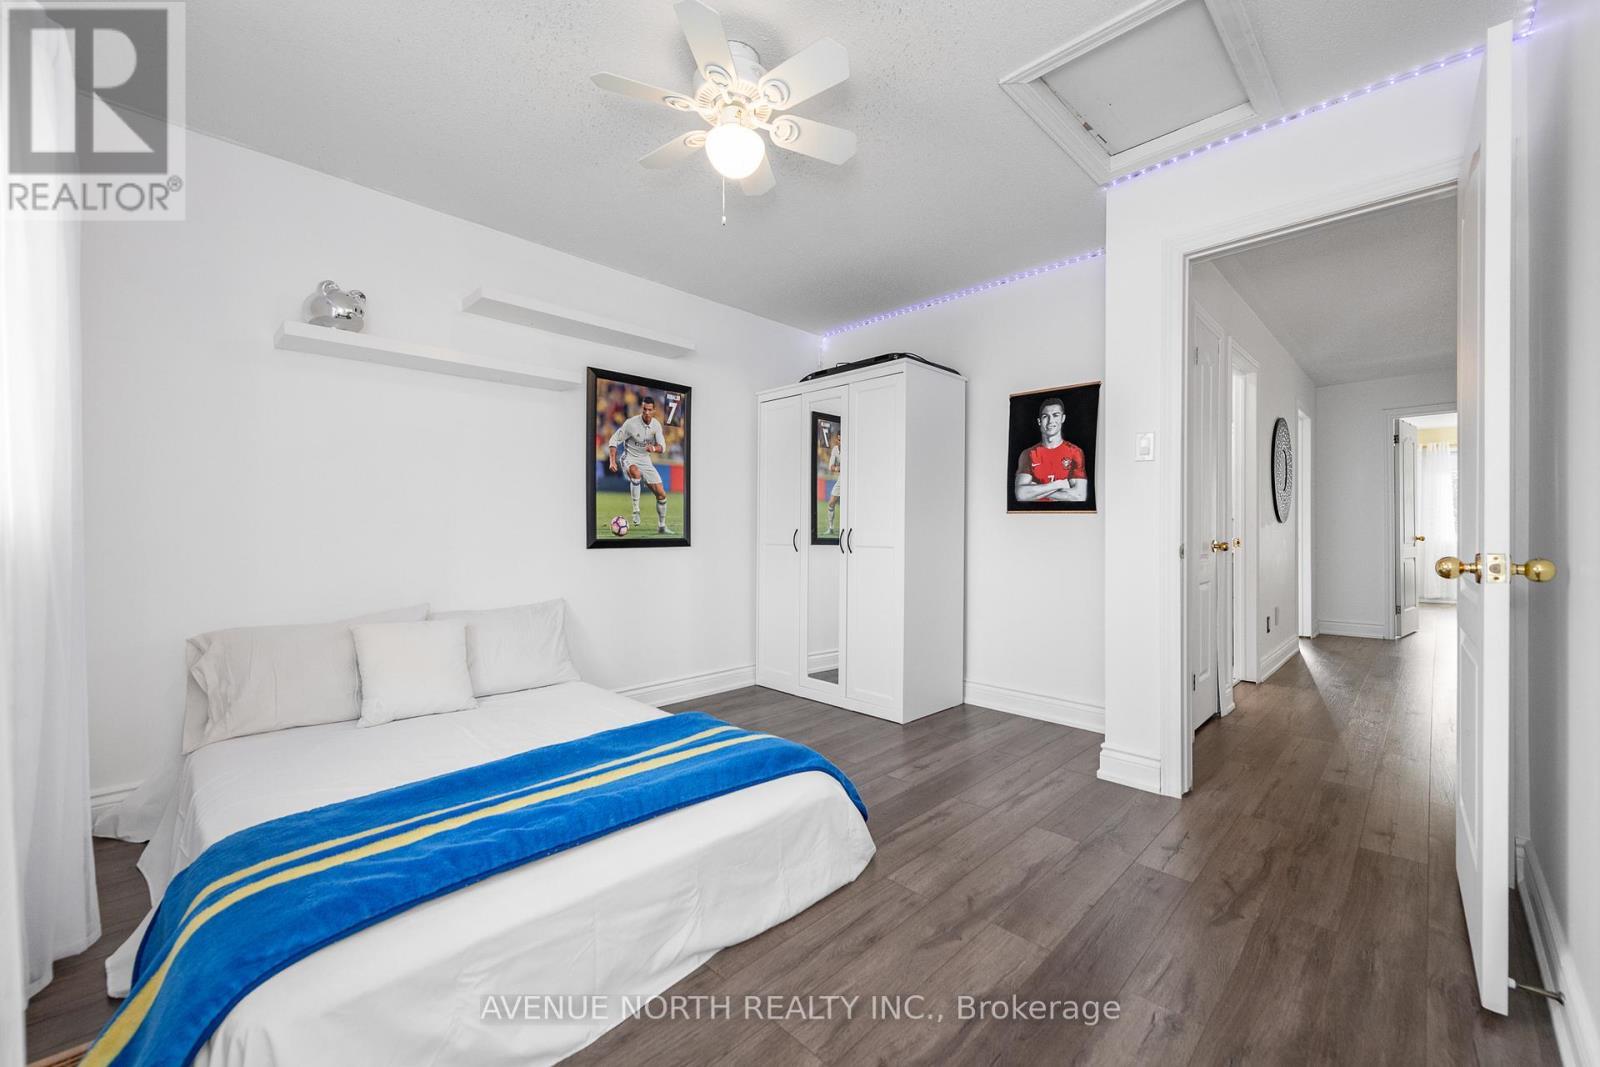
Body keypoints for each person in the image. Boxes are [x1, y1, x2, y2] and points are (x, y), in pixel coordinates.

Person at [607, 394, 671, 533]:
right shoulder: (631, 423)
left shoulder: (656, 426)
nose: (647, 413)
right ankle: (636, 510)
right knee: (635, 472)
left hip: (645, 460)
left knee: (661, 494)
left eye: (649, 410)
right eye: (644, 410)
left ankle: (661, 526)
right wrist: (612, 460)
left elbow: (662, 447)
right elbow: (613, 440)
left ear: (654, 410)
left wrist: (653, 448)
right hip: (629, 458)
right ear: (641, 409)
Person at [1014, 396, 1087, 503]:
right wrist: (1058, 485)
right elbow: (1020, 495)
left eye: (1055, 415)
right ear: (1039, 421)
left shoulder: (1075, 452)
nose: (1050, 421)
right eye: (1045, 416)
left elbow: (1080, 496)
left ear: (1063, 418)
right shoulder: (1028, 454)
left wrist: (1035, 491)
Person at [825, 427, 843, 534]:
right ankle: (831, 528)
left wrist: (837, 467)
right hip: (841, 478)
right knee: (831, 503)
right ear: (837, 439)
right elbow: (830, 467)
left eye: (843, 439)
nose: (841, 442)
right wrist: (839, 468)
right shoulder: (835, 449)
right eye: (839, 440)